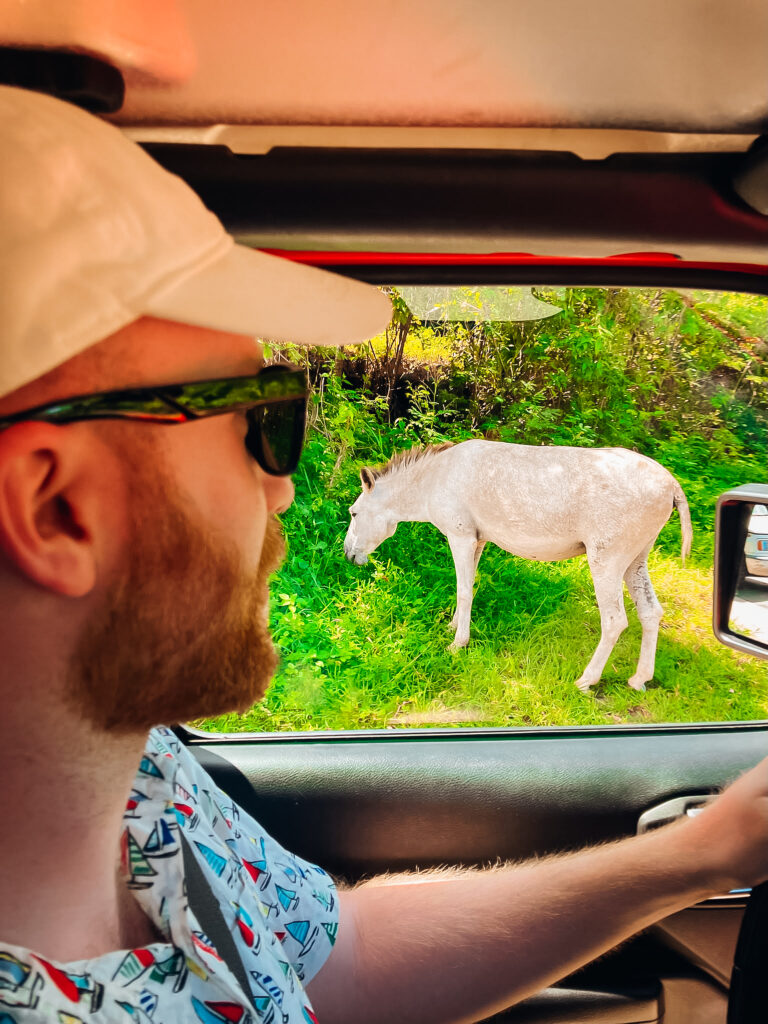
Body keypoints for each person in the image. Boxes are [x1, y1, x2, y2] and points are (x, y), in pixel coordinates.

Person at [0, 84, 766, 1024]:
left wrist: (707, 851)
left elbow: (339, 958)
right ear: (54, 507)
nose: (281, 488)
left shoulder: (144, 776)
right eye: (264, 424)